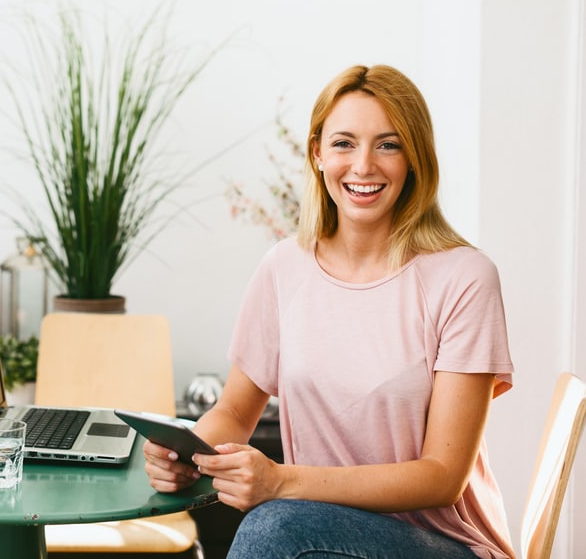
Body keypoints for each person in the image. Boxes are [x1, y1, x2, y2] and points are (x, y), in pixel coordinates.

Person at [143, 64, 515, 559]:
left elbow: (443, 477)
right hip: (316, 532)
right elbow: (234, 411)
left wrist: (281, 482)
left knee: (275, 528)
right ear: (317, 153)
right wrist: (186, 452)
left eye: (388, 144)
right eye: (344, 143)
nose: (363, 166)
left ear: (415, 159)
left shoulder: (464, 278)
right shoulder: (283, 268)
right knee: (280, 526)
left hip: (444, 545)